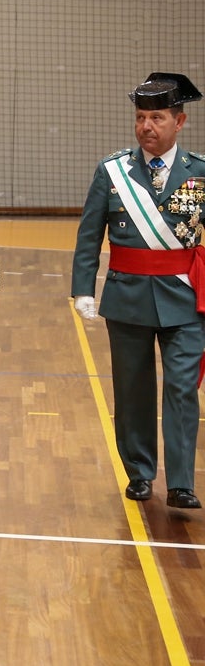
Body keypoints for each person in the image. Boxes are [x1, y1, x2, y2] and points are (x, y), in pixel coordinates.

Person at [72, 72, 205, 509]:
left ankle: (182, 482)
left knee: (183, 389)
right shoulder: (113, 171)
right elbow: (90, 233)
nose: (146, 126)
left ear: (179, 122)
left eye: (157, 117)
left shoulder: (200, 173)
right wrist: (83, 289)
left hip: (185, 301)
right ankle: (140, 472)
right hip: (126, 297)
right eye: (141, 117)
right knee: (132, 389)